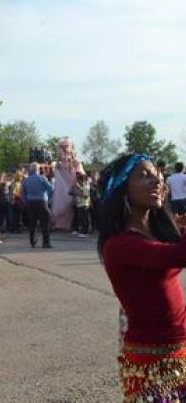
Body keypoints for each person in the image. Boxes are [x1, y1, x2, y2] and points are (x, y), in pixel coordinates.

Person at [98, 153, 186, 402]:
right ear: (121, 189)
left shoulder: (157, 232)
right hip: (153, 362)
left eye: (157, 175)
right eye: (144, 176)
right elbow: (179, 255)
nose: (157, 180)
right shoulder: (119, 245)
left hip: (178, 350)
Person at [22, 162, 54, 248]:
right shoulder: (42, 178)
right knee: (45, 222)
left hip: (30, 202)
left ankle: (32, 241)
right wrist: (47, 195)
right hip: (41, 201)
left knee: (32, 222)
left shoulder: (26, 180)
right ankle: (46, 242)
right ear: (38, 169)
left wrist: (26, 201)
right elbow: (51, 188)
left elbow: (23, 193)